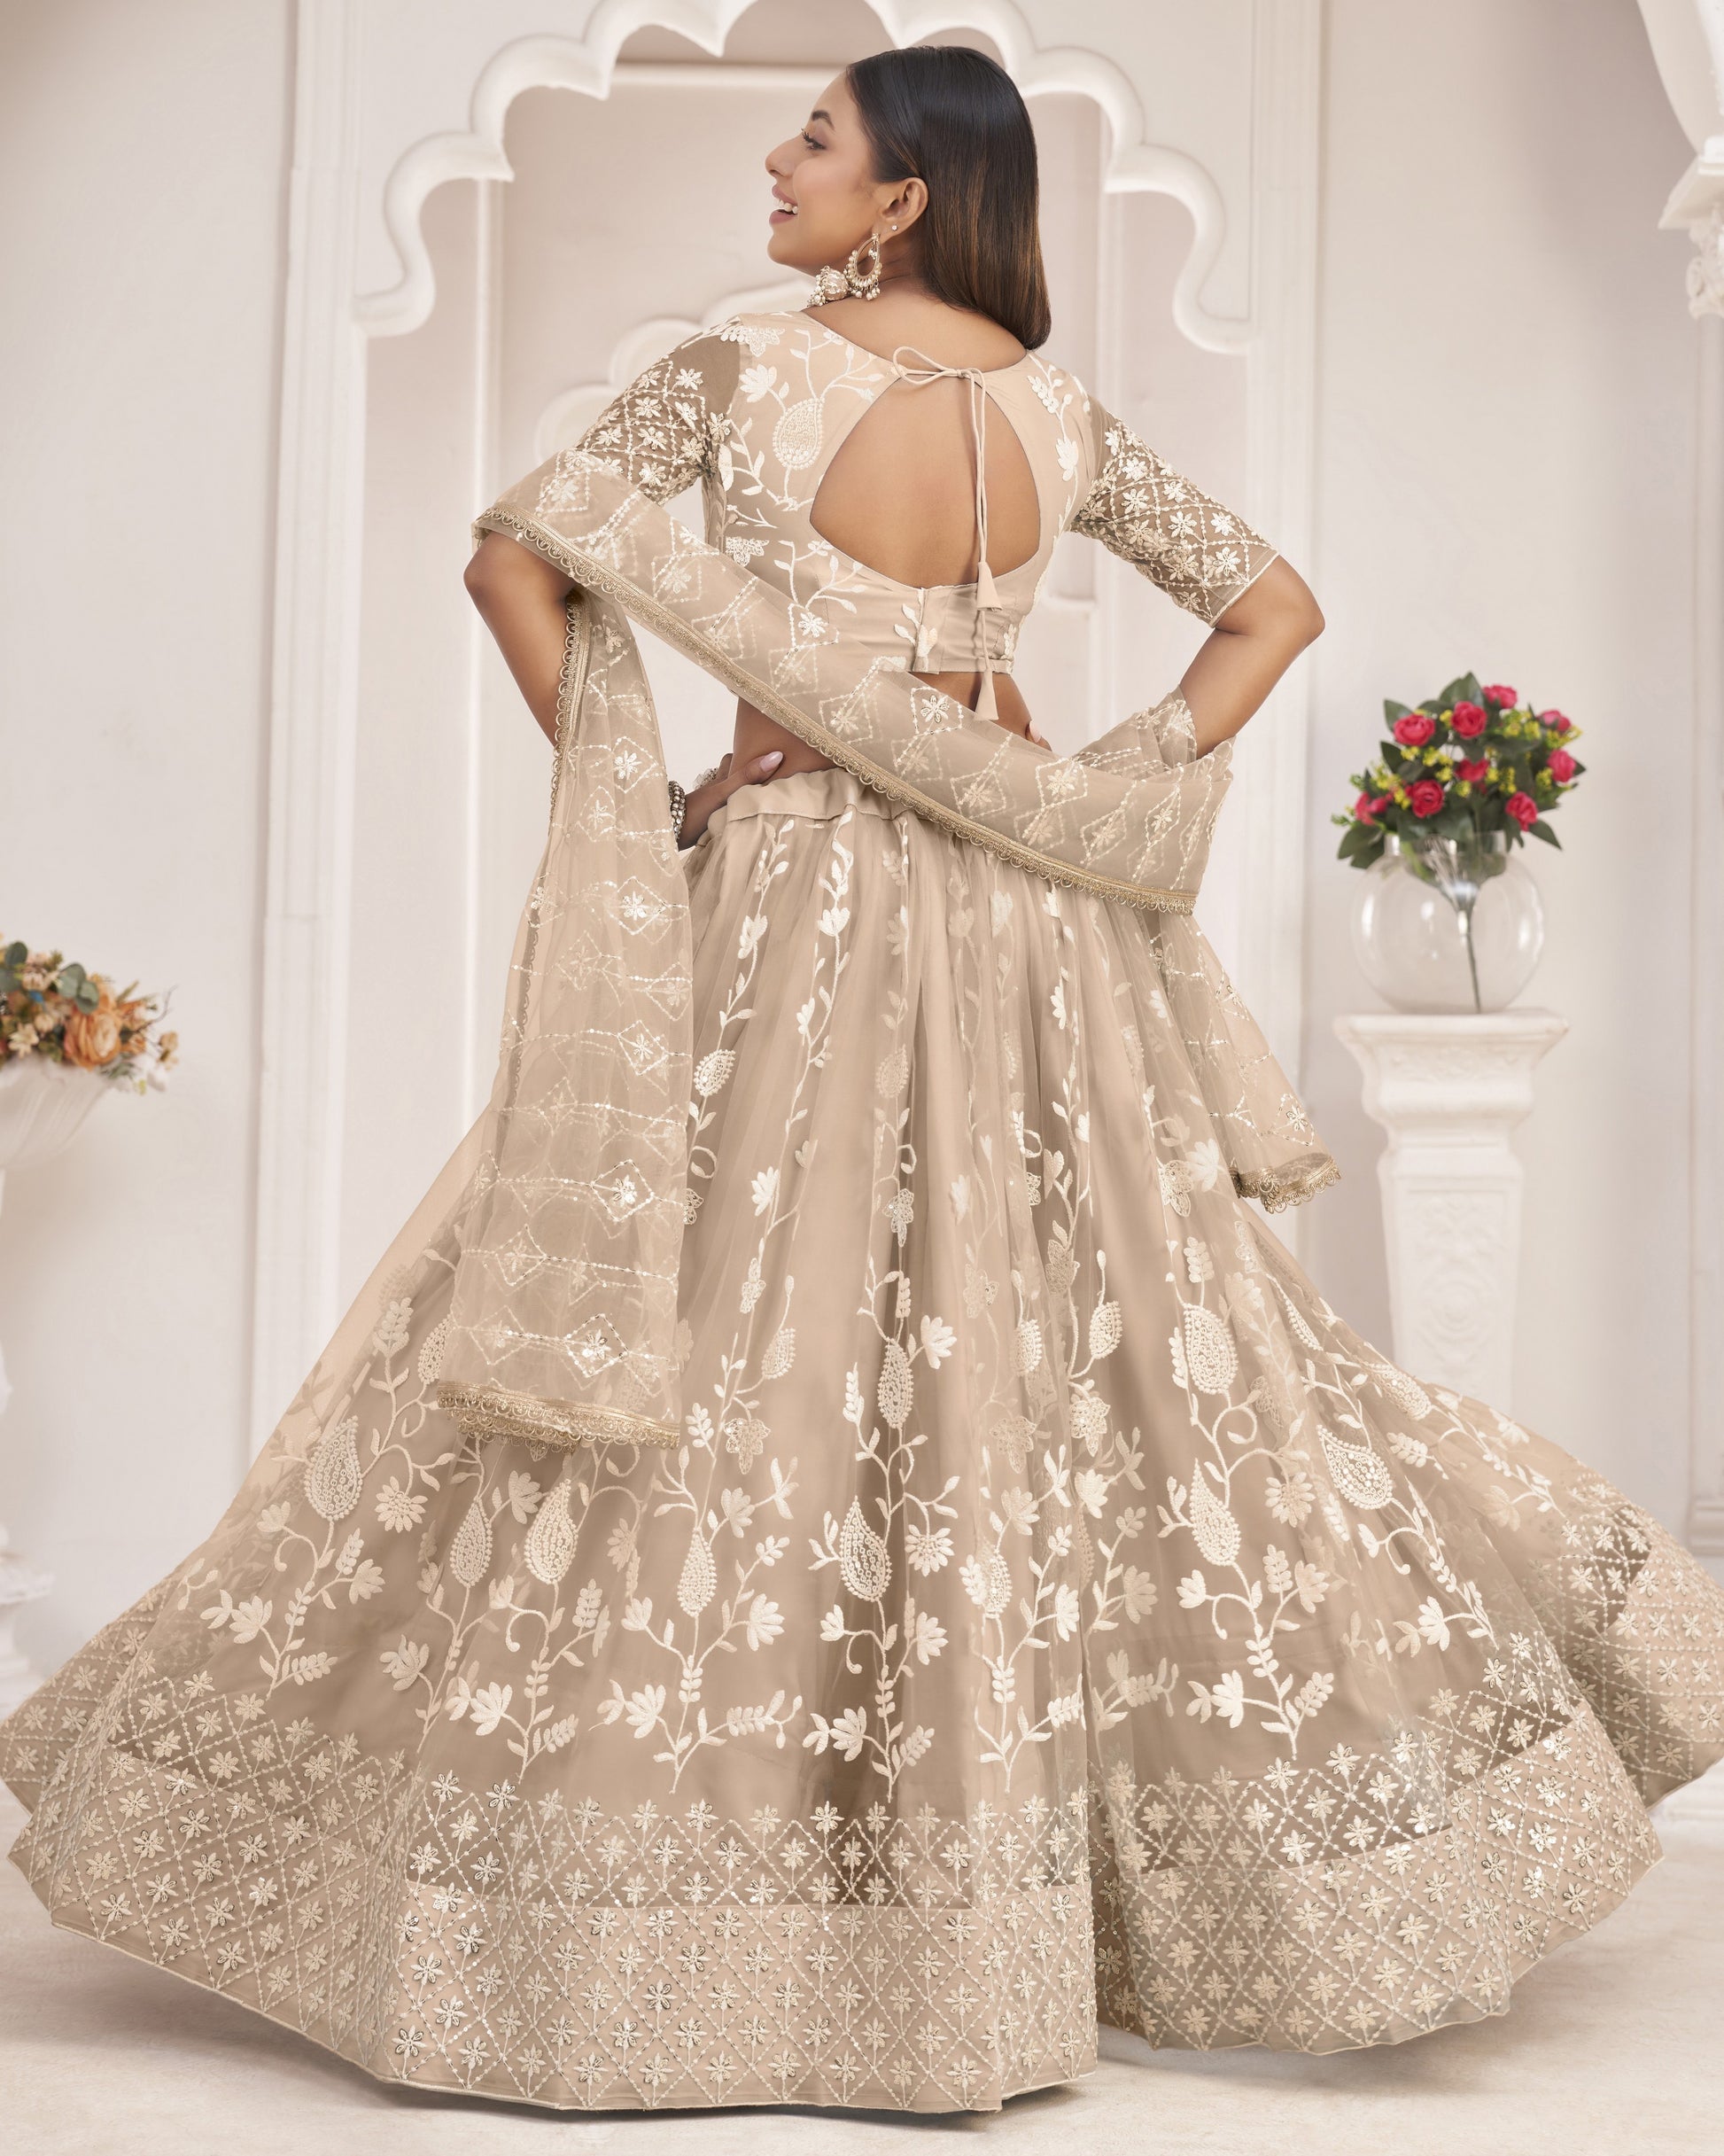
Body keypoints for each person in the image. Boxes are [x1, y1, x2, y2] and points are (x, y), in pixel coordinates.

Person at [4, 44, 1720, 2120]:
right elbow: (1271, 609)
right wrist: (1109, 780)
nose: (778, 158)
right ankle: (1026, 1896)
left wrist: (655, 786)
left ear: (903, 193)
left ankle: (659, 1904)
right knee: (1092, 1336)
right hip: (1030, 909)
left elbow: (513, 560)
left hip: (796, 890)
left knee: (725, 1314)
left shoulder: (746, 376)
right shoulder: (1057, 409)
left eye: (815, 137)